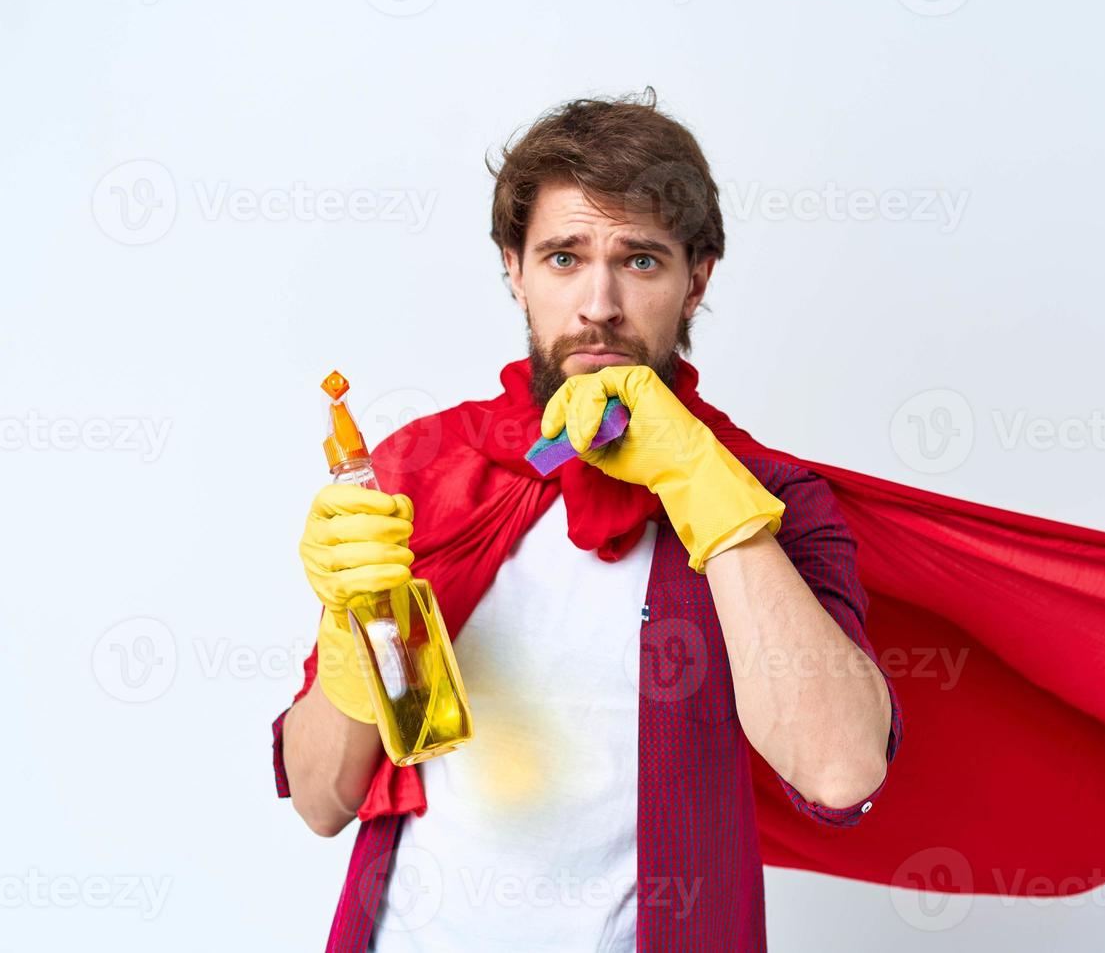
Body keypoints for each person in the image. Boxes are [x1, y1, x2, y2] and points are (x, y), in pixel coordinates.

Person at [274, 89, 903, 951]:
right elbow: (320, 801)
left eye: (640, 260)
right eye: (564, 257)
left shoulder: (772, 498)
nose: (598, 303)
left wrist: (704, 487)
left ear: (697, 280)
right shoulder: (423, 476)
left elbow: (839, 770)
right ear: (515, 269)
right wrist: (353, 634)